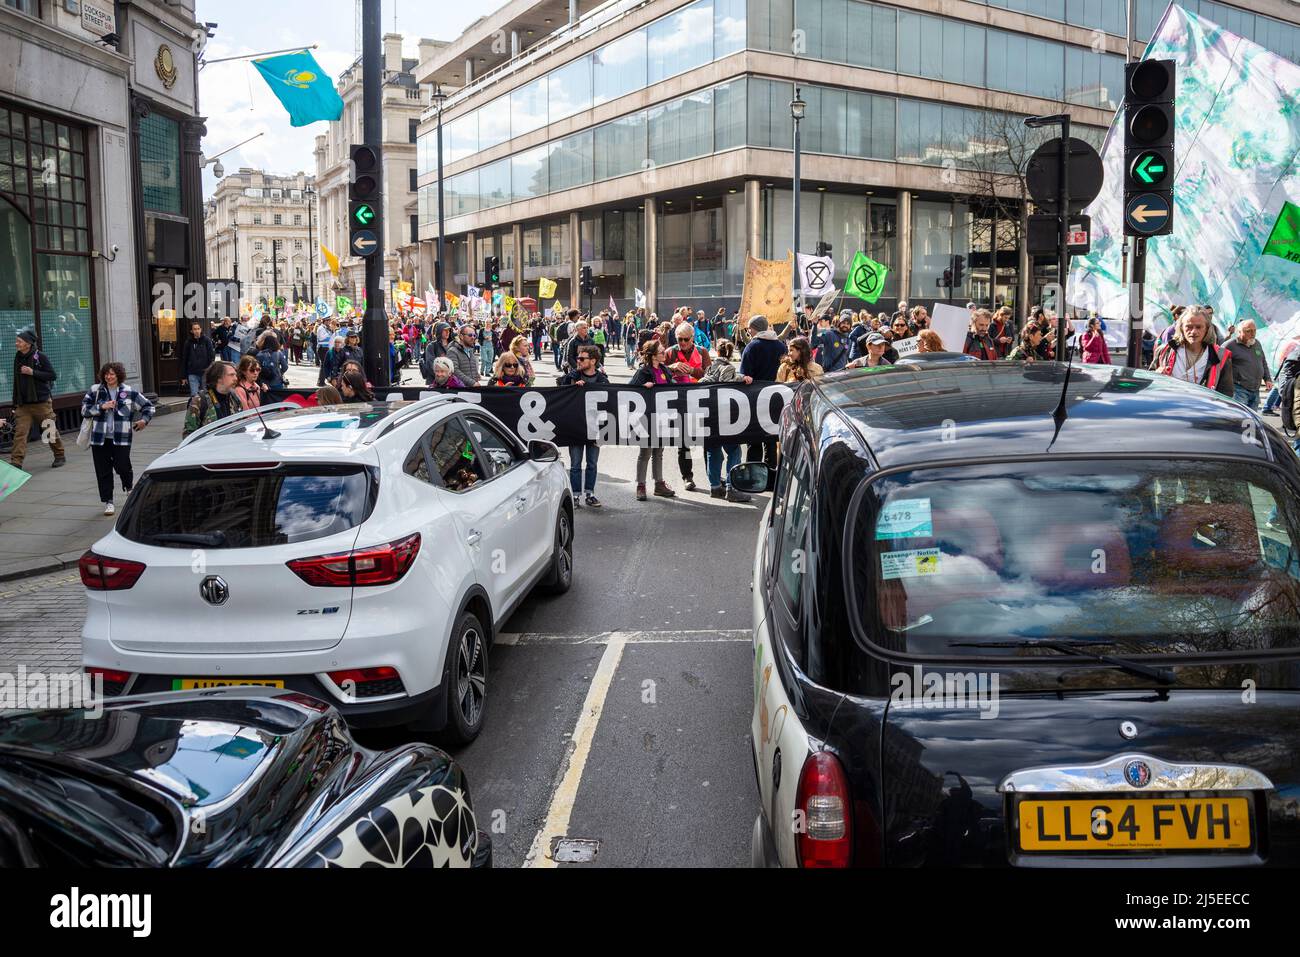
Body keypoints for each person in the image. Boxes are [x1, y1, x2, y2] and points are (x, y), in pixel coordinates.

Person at [80, 362, 154, 516]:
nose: (109, 377)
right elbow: (84, 410)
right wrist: (101, 407)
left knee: (122, 465)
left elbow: (148, 406)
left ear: (118, 375)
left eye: (112, 374)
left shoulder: (129, 392)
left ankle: (129, 487)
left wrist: (144, 421)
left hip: (122, 437)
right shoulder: (95, 391)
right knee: (103, 471)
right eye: (106, 374)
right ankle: (108, 501)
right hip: (99, 438)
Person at [698, 340, 751, 503]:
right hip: (724, 417)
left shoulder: (710, 368)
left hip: (709, 416)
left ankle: (715, 487)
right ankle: (731, 487)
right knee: (734, 450)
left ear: (717, 352)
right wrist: (742, 378)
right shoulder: (728, 368)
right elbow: (726, 386)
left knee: (713, 450)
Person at [558, 345, 608, 507]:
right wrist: (572, 385)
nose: (578, 361)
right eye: (578, 358)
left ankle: (590, 494)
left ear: (593, 361)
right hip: (576, 427)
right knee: (575, 465)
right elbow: (559, 395)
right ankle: (575, 496)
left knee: (592, 464)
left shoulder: (602, 379)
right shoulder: (572, 376)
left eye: (582, 359)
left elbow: (610, 401)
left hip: (595, 428)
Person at [665, 321, 711, 491]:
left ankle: (712, 477)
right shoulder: (670, 352)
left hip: (701, 400)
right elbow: (658, 371)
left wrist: (692, 371)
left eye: (685, 339)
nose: (682, 343)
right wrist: (672, 367)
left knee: (707, 440)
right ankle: (687, 477)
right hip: (679, 403)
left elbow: (710, 375)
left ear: (693, 338)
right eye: (679, 339)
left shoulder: (702, 351)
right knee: (683, 443)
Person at [629, 339, 676, 501]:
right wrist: (643, 388)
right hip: (647, 419)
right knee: (646, 452)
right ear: (653, 356)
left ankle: (659, 484)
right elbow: (629, 390)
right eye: (662, 352)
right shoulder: (643, 372)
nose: (665, 354)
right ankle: (640, 486)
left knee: (659, 451)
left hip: (663, 417)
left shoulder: (665, 370)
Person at [1150, 306, 1233, 396]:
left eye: (1199, 327)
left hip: (1198, 408)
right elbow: (1148, 380)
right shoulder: (1165, 350)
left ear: (1207, 329)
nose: (1193, 332)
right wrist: (1156, 374)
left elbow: (1225, 394)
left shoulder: (1219, 357)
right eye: (1189, 327)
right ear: (1181, 327)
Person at [739, 315, 783, 473]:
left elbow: (744, 375)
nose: (748, 331)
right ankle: (771, 474)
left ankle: (753, 474)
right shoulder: (781, 346)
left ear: (753, 328)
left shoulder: (752, 347)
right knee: (771, 439)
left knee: (754, 438)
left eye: (749, 328)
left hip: (755, 399)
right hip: (777, 399)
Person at [182, 361, 244, 437]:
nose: (235, 378)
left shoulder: (235, 398)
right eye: (231, 375)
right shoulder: (200, 400)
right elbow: (189, 434)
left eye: (235, 375)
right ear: (219, 378)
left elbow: (241, 426)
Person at [1223, 319, 1271, 409]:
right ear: (1239, 332)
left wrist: (1267, 379)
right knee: (1240, 418)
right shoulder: (1230, 345)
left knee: (1251, 420)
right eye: (1248, 331)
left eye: (1254, 330)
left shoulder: (1257, 343)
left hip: (1255, 390)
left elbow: (1263, 361)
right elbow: (1219, 366)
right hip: (1238, 389)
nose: (1253, 334)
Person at [181, 321, 216, 397]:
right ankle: (196, 408)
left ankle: (207, 409)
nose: (197, 331)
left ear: (201, 329)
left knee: (208, 394)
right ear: (191, 331)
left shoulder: (206, 340)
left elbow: (212, 356)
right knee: (195, 395)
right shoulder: (188, 342)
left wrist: (209, 369)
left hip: (205, 372)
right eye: (194, 329)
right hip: (192, 373)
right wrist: (183, 376)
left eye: (198, 329)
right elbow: (185, 359)